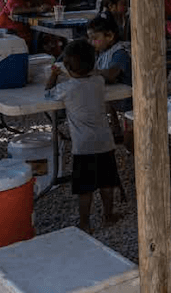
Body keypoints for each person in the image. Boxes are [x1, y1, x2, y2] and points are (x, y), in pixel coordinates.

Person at [45, 39, 122, 232]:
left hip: (83, 147)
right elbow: (96, 76)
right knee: (107, 183)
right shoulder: (98, 81)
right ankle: (108, 215)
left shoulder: (66, 88)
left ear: (68, 67)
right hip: (105, 142)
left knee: (85, 189)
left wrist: (54, 75)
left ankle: (85, 223)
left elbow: (47, 94)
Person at [87, 13, 132, 145]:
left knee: (131, 138)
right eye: (89, 38)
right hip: (116, 97)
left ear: (110, 36)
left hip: (131, 101)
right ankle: (115, 127)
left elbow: (111, 75)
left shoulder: (120, 52)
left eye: (94, 38)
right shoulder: (103, 51)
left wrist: (89, 72)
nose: (91, 42)